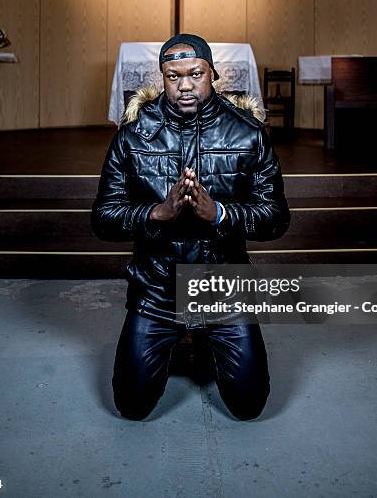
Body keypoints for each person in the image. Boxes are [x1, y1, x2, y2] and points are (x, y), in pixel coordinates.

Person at [91, 33, 290, 421]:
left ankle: (202, 337)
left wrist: (220, 214)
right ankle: (183, 337)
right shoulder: (131, 138)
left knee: (249, 406)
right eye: (172, 75)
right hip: (156, 289)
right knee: (131, 407)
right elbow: (102, 217)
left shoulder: (248, 135)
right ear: (162, 77)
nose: (184, 85)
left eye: (195, 73)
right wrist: (155, 214)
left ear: (212, 73)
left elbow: (276, 217)